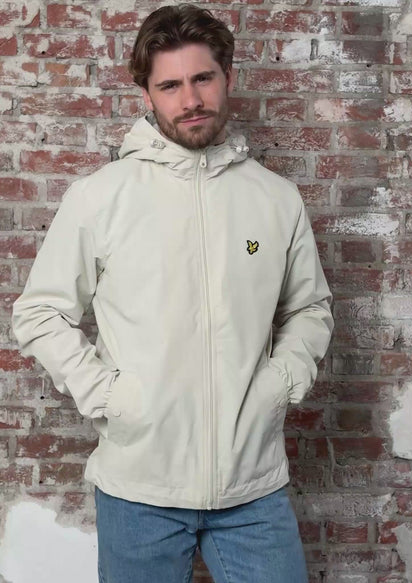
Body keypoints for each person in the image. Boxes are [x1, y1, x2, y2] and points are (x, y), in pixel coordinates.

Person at [12, 4, 334, 582]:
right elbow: (39, 313)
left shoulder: (275, 199)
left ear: (227, 77)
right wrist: (110, 395)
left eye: (202, 78)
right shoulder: (100, 198)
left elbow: (310, 308)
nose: (190, 100)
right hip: (139, 489)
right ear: (147, 93)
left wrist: (280, 382)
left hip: (253, 489)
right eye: (170, 85)